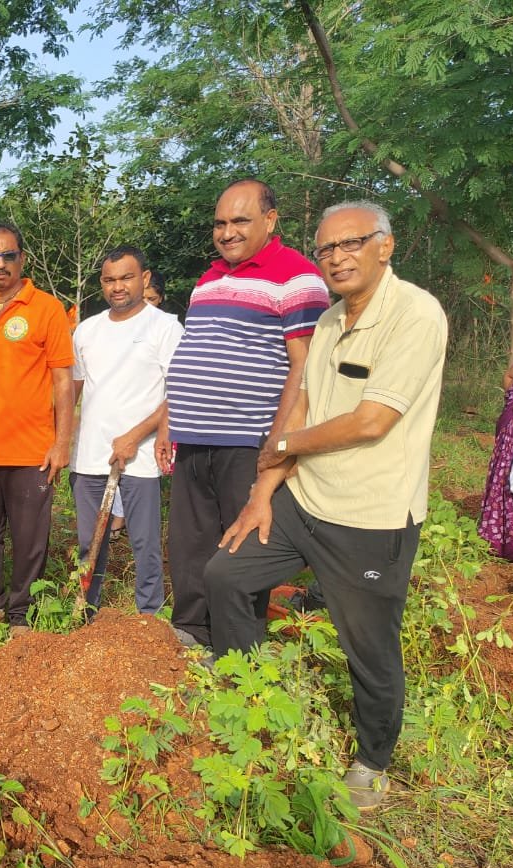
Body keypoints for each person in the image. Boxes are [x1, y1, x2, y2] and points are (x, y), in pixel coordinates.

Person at [206, 201, 447, 810]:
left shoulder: (415, 314)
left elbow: (371, 421)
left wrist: (281, 443)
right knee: (225, 574)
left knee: (368, 645)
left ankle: (373, 761)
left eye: (352, 243)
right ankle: (248, 705)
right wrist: (262, 493)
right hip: (304, 501)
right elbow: (305, 404)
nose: (338, 257)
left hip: (371, 517)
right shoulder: (333, 320)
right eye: (327, 249)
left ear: (384, 247)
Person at [160, 179, 330, 652]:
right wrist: (173, 420)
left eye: (240, 221)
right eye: (220, 223)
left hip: (247, 438)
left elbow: (306, 366)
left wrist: (277, 444)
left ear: (270, 221)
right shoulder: (209, 278)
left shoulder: (297, 277)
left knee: (240, 543)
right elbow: (198, 353)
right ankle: (190, 633)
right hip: (195, 436)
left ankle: (237, 652)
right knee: (191, 542)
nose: (227, 232)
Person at [0, 223, 75, 633]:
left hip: (31, 449)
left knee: (29, 540)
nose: (0, 264)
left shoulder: (46, 309)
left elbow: (63, 379)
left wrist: (62, 443)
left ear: (22, 258)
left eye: (8, 255)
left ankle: (21, 613)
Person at [70, 246, 183, 617]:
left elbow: (177, 393)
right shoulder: (87, 330)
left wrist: (135, 436)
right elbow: (75, 390)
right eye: (110, 279)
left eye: (126, 277)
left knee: (145, 543)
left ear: (144, 278)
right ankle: (88, 612)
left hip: (141, 457)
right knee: (91, 542)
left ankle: (148, 619)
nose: (118, 286)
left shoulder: (165, 327)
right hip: (89, 455)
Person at [479, 358, 513, 560]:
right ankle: (500, 539)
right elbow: (510, 375)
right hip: (510, 432)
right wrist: (512, 396)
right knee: (504, 479)